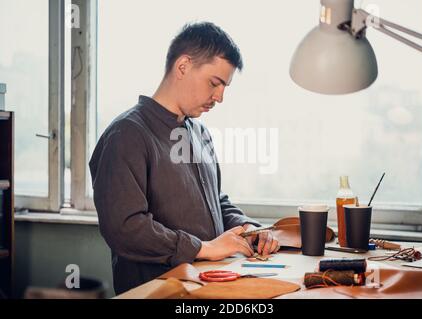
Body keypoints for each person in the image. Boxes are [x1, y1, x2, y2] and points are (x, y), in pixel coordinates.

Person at [89, 22, 280, 295]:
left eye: (225, 87)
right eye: (215, 83)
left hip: (207, 287)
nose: (220, 97)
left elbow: (216, 200)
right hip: (156, 292)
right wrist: (205, 248)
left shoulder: (199, 132)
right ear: (183, 67)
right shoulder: (126, 135)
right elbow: (125, 228)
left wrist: (247, 228)